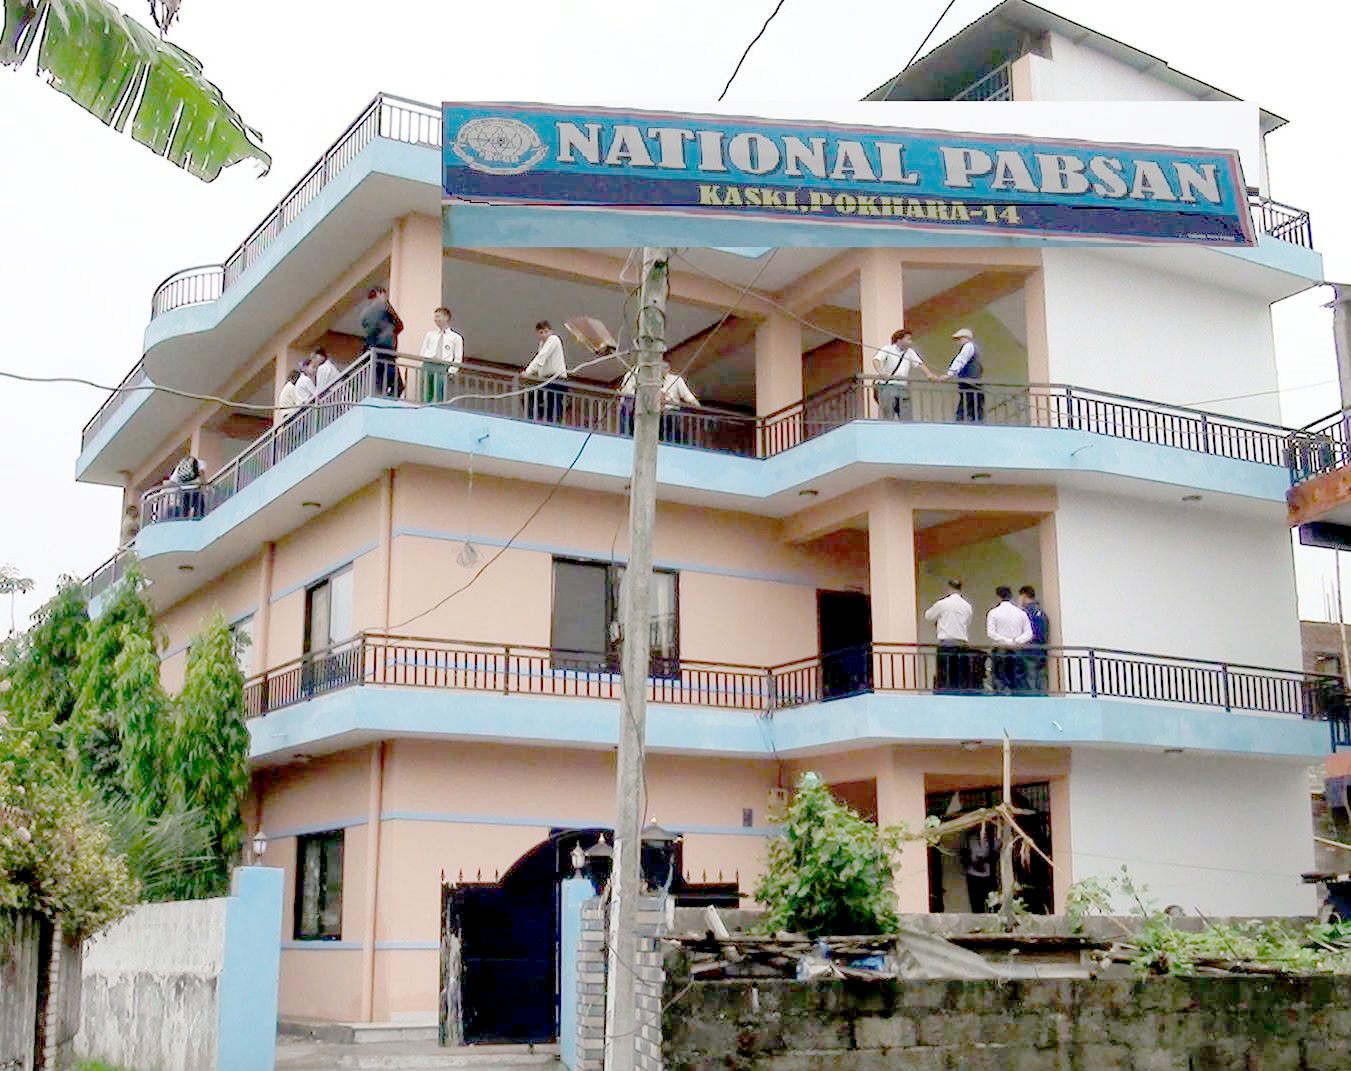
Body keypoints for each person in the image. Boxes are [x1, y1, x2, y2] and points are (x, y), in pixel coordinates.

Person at [872, 328, 934, 420]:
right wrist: (881, 372)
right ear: (899, 339)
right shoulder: (888, 349)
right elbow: (876, 360)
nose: (910, 342)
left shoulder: (910, 352)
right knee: (888, 413)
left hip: (902, 386)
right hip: (888, 385)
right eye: (908, 339)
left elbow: (919, 364)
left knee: (906, 415)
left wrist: (929, 373)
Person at [925, 578, 973, 694]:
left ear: (949, 588)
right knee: (960, 675)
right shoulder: (967, 606)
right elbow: (968, 622)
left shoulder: (943, 604)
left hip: (946, 644)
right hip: (962, 644)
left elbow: (928, 616)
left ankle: (945, 695)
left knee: (944, 674)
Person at [986, 586, 1033, 694]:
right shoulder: (1021, 613)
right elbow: (1029, 633)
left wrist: (1005, 640)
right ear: (1011, 596)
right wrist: (1016, 640)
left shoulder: (993, 613)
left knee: (1000, 680)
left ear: (998, 597)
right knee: (1017, 680)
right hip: (1017, 650)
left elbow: (991, 633)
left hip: (1000, 650)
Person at [360, 286, 404, 397]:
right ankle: (389, 401)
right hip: (385, 350)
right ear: (379, 294)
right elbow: (399, 325)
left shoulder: (364, 312)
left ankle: (381, 400)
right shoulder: (384, 307)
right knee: (397, 385)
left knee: (379, 384)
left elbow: (368, 329)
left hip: (372, 351)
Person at [523, 320, 568, 423]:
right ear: (537, 334)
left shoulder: (553, 339)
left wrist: (528, 372)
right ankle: (541, 419)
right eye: (541, 332)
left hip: (556, 379)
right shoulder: (542, 344)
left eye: (546, 332)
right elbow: (541, 360)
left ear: (551, 332)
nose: (544, 335)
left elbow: (542, 357)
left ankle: (552, 422)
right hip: (548, 379)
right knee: (536, 398)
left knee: (552, 402)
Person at [419, 307, 464, 404]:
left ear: (446, 317)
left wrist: (452, 370)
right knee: (425, 392)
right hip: (428, 364)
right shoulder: (430, 335)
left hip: (442, 367)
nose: (436, 319)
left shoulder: (455, 338)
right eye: (435, 317)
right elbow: (423, 350)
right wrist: (421, 364)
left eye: (438, 316)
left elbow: (458, 357)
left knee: (439, 394)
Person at [938, 327, 984, 422]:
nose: (957, 342)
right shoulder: (972, 348)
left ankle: (962, 420)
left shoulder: (968, 346)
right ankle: (975, 421)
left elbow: (961, 360)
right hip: (973, 381)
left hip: (969, 382)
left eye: (959, 339)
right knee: (974, 405)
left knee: (967, 403)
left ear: (966, 338)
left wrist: (949, 374)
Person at [1018, 585, 1051, 695]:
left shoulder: (1025, 613)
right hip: (1041, 650)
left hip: (1028, 651)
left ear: (1024, 596)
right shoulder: (1041, 612)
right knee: (1041, 679)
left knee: (1030, 680)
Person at [163, 452, 203, 520]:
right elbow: (202, 476)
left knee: (184, 511)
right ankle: (198, 518)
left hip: (184, 490)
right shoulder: (200, 463)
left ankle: (185, 520)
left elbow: (172, 481)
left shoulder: (179, 467)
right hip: (196, 489)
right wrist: (204, 484)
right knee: (198, 508)